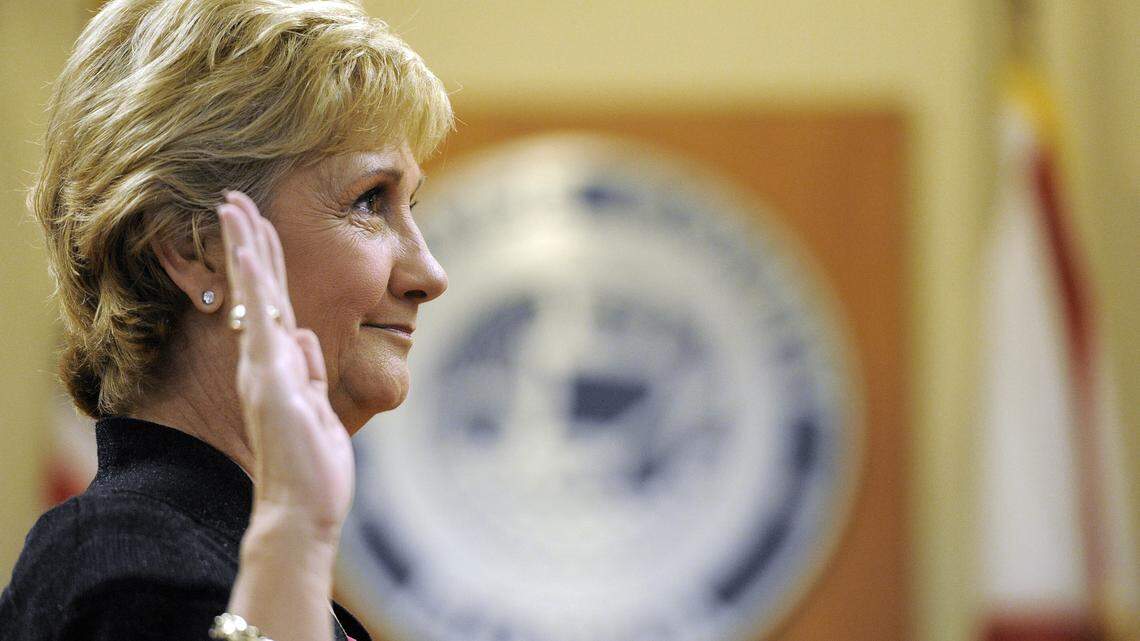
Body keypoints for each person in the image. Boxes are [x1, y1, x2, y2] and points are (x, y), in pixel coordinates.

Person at [0, 0, 452, 639]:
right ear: (193, 248)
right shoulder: (126, 571)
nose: (429, 273)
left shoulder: (214, 555)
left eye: (410, 203)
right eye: (369, 201)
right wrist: (291, 536)